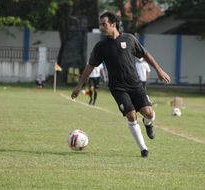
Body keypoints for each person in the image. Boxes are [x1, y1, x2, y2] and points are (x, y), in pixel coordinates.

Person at [71, 12, 171, 158]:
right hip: (118, 88)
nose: (101, 27)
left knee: (149, 113)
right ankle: (144, 149)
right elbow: (90, 66)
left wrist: (159, 70)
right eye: (100, 25)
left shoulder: (129, 39)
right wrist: (79, 86)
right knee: (131, 115)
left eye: (104, 24)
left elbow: (145, 54)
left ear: (113, 24)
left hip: (136, 85)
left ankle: (148, 124)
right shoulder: (101, 46)